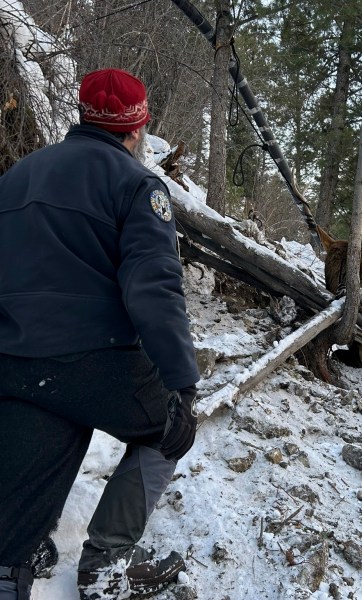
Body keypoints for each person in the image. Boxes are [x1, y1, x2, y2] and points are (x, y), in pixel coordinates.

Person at [0, 68, 201, 600]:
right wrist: (182, 385)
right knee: (169, 430)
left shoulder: (16, 177)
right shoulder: (136, 184)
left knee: (38, 435)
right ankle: (107, 563)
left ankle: (12, 561)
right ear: (138, 129)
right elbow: (153, 289)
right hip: (96, 359)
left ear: (83, 115)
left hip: (13, 357)